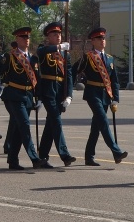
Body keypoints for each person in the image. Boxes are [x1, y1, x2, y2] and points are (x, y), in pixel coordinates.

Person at [0, 27, 50, 169]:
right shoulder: (10, 57)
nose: (26, 40)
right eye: (23, 37)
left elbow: (37, 79)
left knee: (17, 129)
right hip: (13, 95)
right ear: (17, 39)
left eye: (28, 37)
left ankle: (12, 161)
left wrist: (39, 97)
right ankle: (35, 158)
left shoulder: (32, 58)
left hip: (28, 96)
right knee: (24, 124)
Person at [71, 27, 127, 167]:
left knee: (96, 127)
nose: (103, 41)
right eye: (99, 39)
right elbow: (73, 70)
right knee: (103, 121)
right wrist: (68, 91)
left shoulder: (109, 59)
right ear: (93, 41)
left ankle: (89, 157)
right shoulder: (88, 57)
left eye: (103, 38)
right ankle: (116, 151)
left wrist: (115, 98)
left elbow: (114, 80)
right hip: (93, 93)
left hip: (106, 95)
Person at [35, 22, 75, 167]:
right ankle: (65, 155)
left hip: (60, 91)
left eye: (59, 34)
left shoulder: (65, 54)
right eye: (54, 34)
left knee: (50, 125)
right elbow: (41, 53)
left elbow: (69, 75)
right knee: (56, 121)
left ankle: (42, 157)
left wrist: (69, 95)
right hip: (48, 91)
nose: (58, 36)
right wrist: (59, 47)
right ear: (48, 37)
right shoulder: (43, 49)